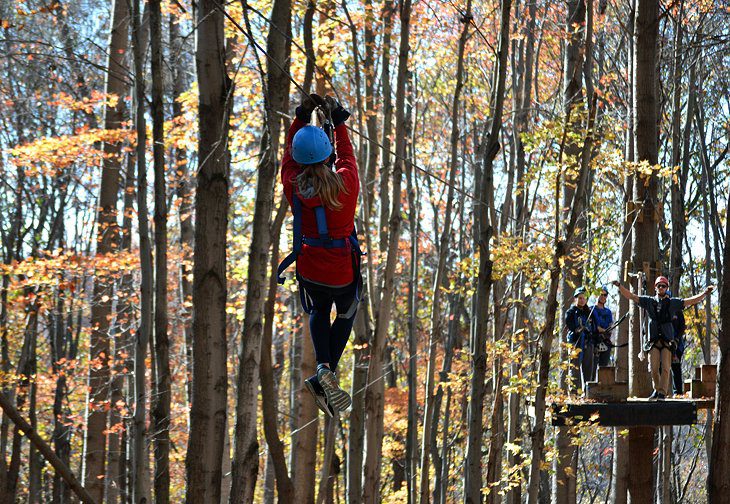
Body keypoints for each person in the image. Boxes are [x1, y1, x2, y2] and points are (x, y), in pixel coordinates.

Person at [278, 93, 362, 416]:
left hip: (311, 266)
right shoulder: (346, 186)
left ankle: (324, 367)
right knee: (346, 312)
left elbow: (288, 159)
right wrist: (338, 124)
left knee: (317, 308)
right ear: (327, 155)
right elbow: (348, 160)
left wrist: (300, 117)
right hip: (341, 269)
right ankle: (327, 370)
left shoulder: (293, 187)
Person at [612, 276, 713, 400]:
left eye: (663, 286)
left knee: (665, 368)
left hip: (667, 341)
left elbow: (690, 301)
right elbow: (632, 296)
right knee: (654, 368)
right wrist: (619, 286)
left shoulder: (672, 303)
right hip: (653, 341)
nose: (661, 288)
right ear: (655, 287)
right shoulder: (649, 301)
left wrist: (705, 293)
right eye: (659, 286)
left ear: (667, 288)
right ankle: (656, 389)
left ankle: (662, 393)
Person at [564, 286, 595, 392]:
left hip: (587, 342)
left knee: (588, 369)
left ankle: (587, 393)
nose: (582, 300)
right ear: (575, 299)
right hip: (575, 343)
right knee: (574, 368)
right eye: (580, 298)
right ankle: (573, 393)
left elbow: (594, 326)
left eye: (584, 298)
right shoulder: (571, 312)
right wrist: (578, 330)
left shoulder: (589, 312)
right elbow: (570, 324)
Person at [591, 286, 614, 376]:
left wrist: (604, 331)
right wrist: (600, 329)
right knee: (592, 368)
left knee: (604, 368)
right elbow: (594, 326)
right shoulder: (591, 310)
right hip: (593, 341)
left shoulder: (608, 312)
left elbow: (609, 327)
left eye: (605, 295)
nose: (603, 297)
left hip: (605, 341)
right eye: (601, 294)